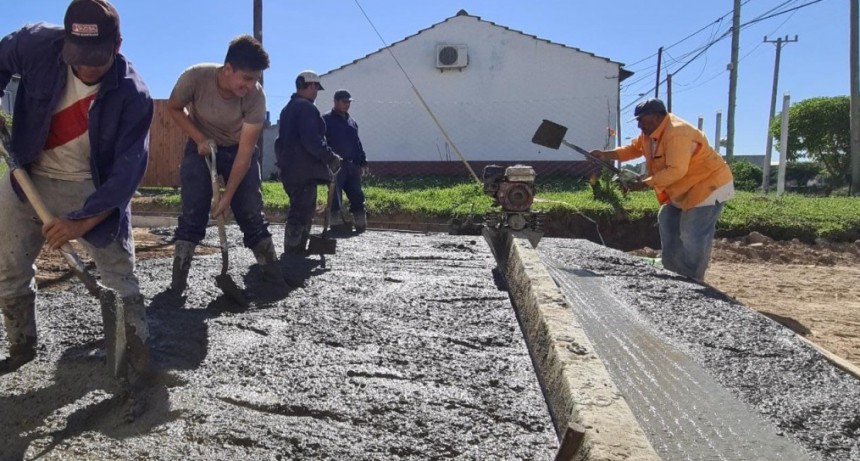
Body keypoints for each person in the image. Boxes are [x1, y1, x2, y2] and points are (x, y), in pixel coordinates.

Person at [0, 0, 154, 379]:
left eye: (96, 59)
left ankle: (136, 358)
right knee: (8, 266)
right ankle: (22, 345)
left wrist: (83, 222)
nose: (85, 67)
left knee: (118, 274)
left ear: (117, 46)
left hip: (93, 188)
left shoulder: (133, 95)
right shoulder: (35, 44)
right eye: (77, 56)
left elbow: (126, 174)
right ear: (66, 39)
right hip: (27, 176)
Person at [167, 35, 286, 295]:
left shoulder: (255, 97)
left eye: (256, 79)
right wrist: (199, 138)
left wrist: (227, 197)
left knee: (250, 211)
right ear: (228, 68)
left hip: (236, 150)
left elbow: (245, 151)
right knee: (192, 212)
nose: (251, 85)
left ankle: (273, 278)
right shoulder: (195, 78)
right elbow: (174, 108)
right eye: (246, 78)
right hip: (202, 148)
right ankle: (177, 285)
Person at [590, 98, 734, 282]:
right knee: (667, 219)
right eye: (637, 120)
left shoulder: (677, 133)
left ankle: (694, 279)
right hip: (683, 187)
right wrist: (605, 155)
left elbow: (676, 170)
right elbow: (633, 149)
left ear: (657, 116)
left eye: (642, 119)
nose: (639, 124)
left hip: (708, 184)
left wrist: (644, 183)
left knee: (692, 233)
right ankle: (673, 271)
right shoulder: (650, 133)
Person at [275, 71, 342, 255]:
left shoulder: (288, 109)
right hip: (304, 169)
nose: (316, 92)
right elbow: (312, 140)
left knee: (298, 206)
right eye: (316, 88)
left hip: (290, 169)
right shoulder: (306, 108)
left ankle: (295, 247)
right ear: (311, 86)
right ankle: (294, 250)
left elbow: (280, 142)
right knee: (302, 210)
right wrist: (330, 157)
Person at [323, 89, 369, 233]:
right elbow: (321, 142)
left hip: (352, 165)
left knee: (357, 194)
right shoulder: (325, 120)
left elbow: (357, 143)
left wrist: (363, 160)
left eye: (349, 102)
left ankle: (360, 222)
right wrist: (328, 160)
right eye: (344, 101)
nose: (347, 104)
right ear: (335, 101)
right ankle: (336, 225)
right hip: (335, 165)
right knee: (335, 197)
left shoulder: (352, 122)